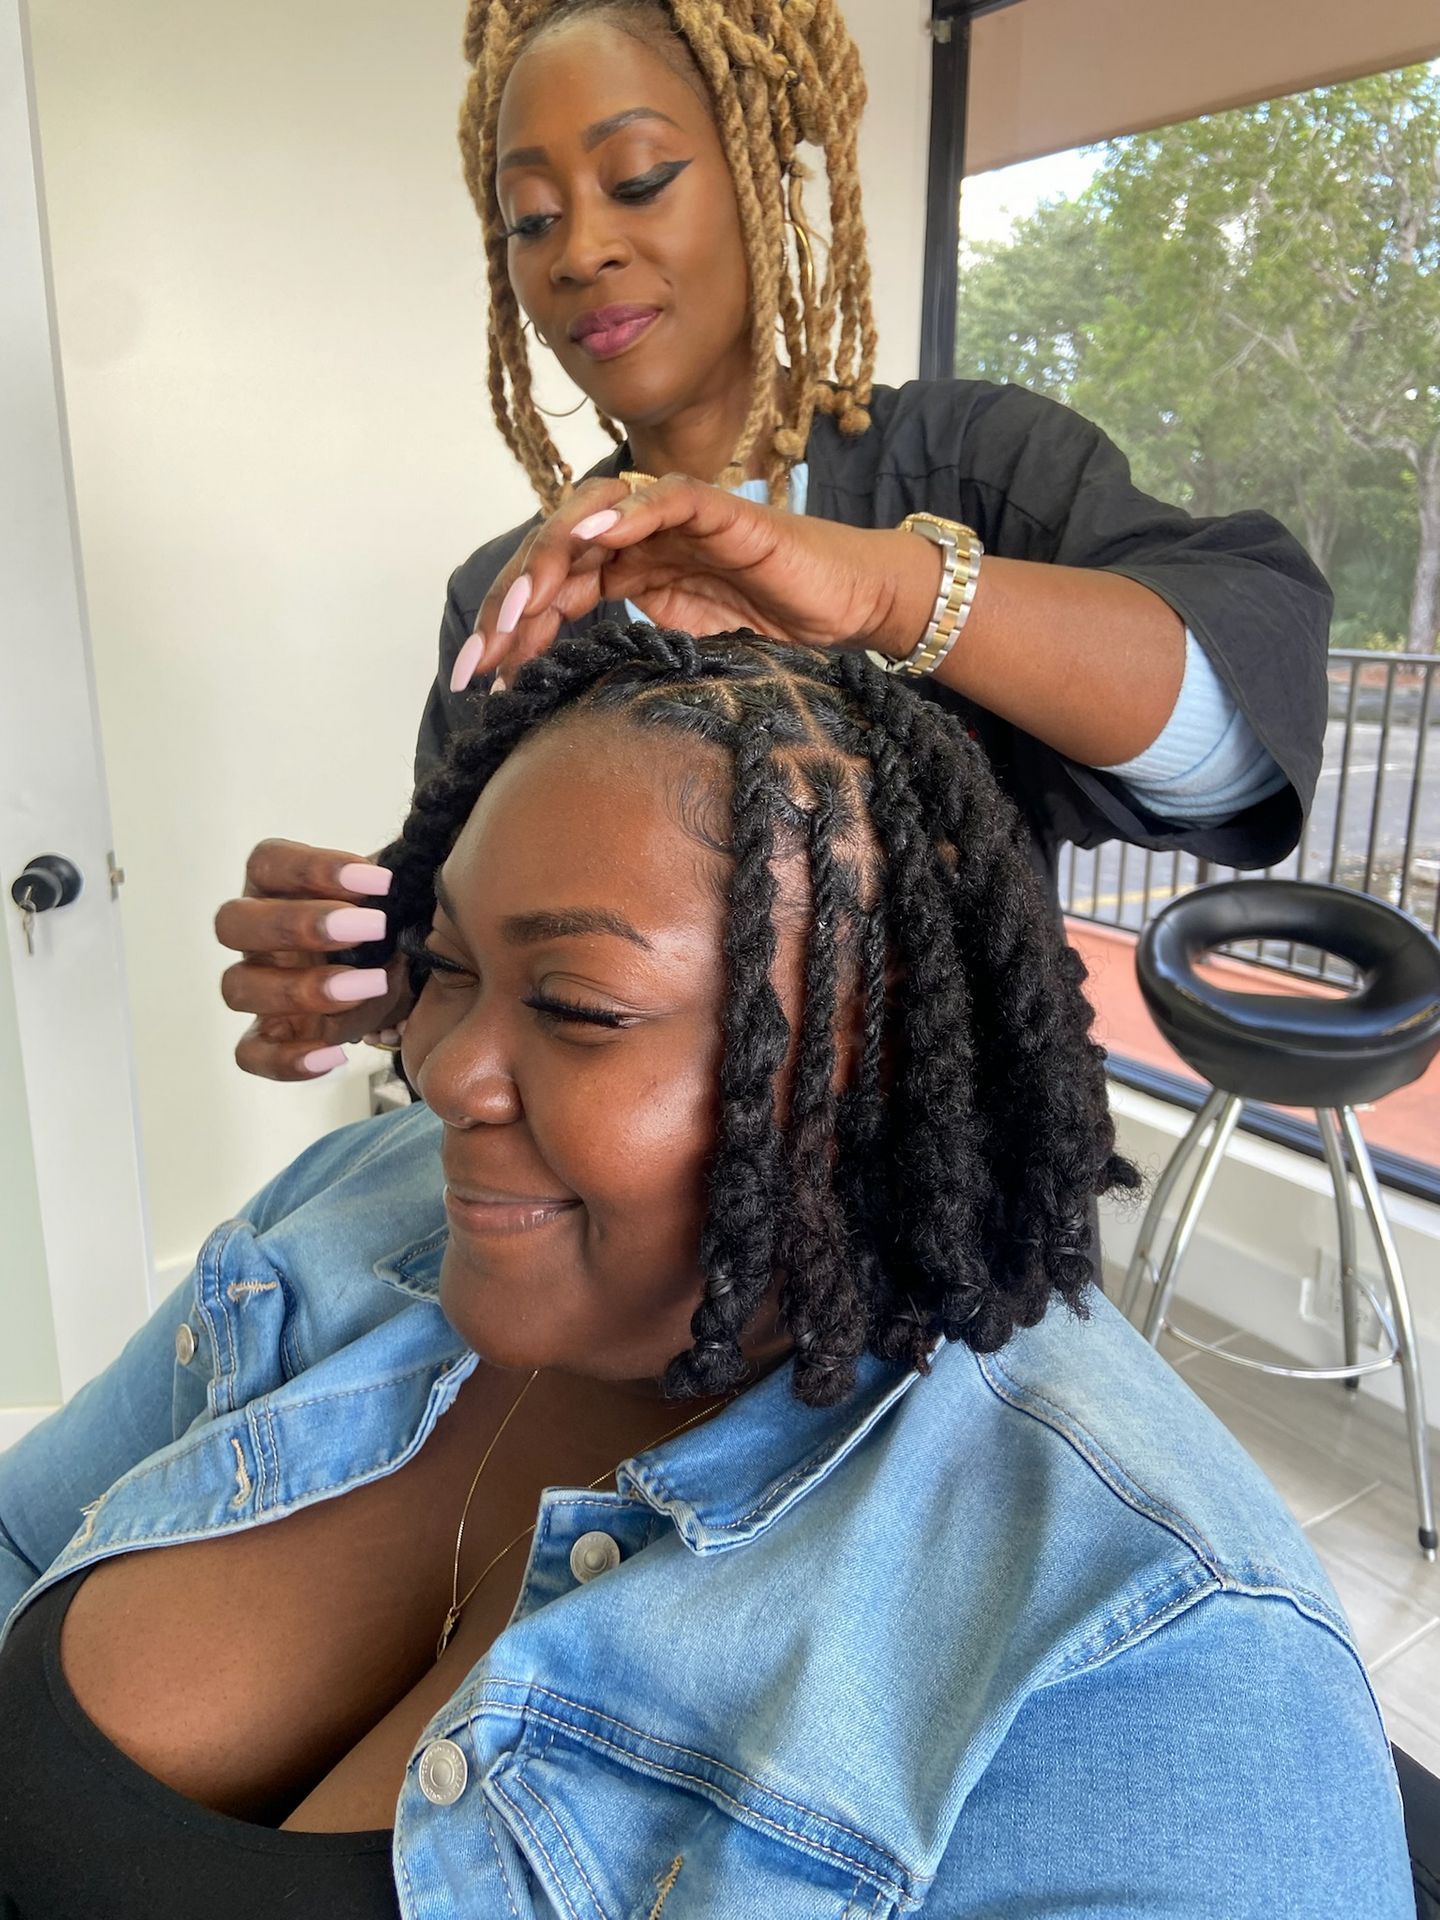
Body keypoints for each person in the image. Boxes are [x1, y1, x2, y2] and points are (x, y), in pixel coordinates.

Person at [0, 631, 1411, 1916]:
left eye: (576, 1006)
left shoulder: (1158, 1661)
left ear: (873, 1059)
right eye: (445, 970)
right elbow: (25, 1537)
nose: (439, 1074)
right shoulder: (346, 1223)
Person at [214, 0, 1332, 1083]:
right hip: (615, 1243)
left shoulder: (975, 466)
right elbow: (481, 955)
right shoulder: (507, 593)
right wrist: (385, 978)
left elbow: (1230, 749)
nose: (580, 251)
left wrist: (883, 591)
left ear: (763, 178)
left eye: (639, 180)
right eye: (532, 219)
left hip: (934, 1225)